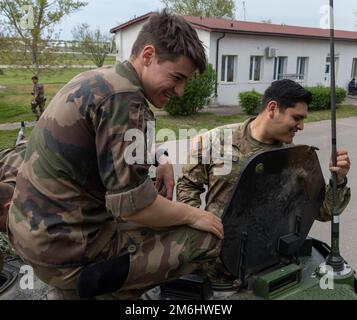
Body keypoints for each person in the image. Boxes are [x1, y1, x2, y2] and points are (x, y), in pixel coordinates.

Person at [8, 10, 223, 300]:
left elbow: (109, 150)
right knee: (206, 237)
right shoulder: (127, 101)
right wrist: (194, 214)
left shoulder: (98, 80)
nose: (181, 91)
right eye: (177, 77)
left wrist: (160, 156)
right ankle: (90, 291)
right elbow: (136, 208)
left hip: (34, 235)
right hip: (68, 255)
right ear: (148, 55)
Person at [177, 79, 351, 221]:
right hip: (217, 254)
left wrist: (339, 181)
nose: (302, 126)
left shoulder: (296, 158)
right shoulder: (215, 140)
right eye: (296, 118)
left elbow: (322, 211)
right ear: (273, 108)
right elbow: (188, 185)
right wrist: (197, 225)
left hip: (268, 255)